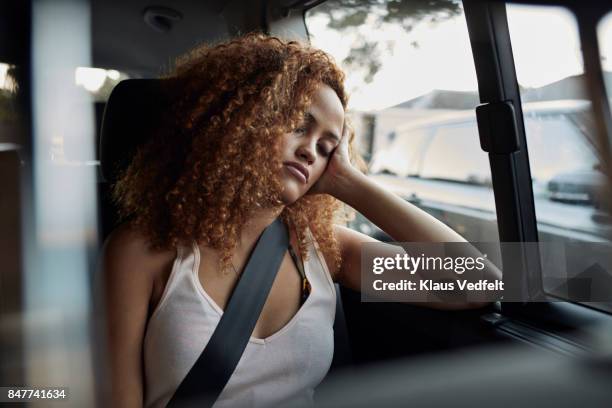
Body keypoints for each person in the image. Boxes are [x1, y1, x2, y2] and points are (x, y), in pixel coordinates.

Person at [102, 32, 493, 408]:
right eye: (299, 126)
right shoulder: (142, 249)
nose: (310, 151)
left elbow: (479, 283)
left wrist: (350, 182)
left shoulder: (323, 248)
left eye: (327, 147)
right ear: (241, 120)